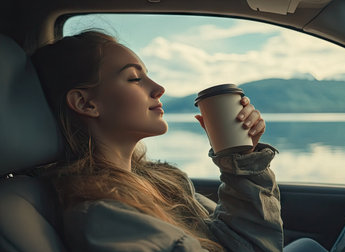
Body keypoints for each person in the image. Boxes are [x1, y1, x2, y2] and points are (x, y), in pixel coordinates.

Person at [31, 30, 283, 252]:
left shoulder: (163, 181)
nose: (159, 88)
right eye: (134, 78)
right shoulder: (105, 216)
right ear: (85, 103)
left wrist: (242, 155)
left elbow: (243, 244)